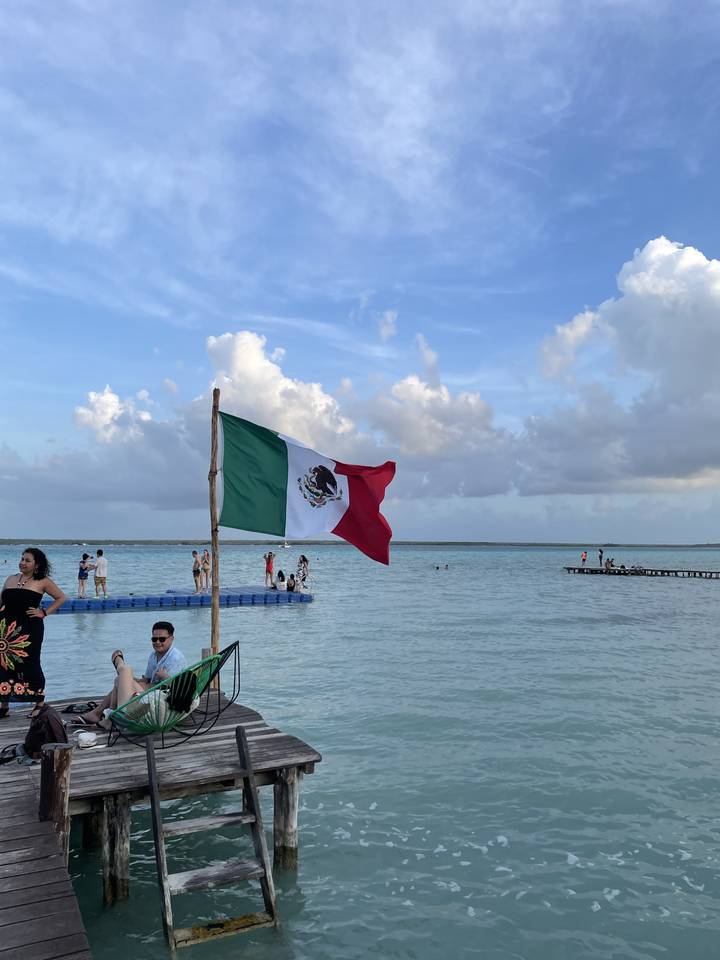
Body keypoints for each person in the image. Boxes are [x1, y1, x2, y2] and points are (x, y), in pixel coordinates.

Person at [0, 548, 67, 718]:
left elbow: (61, 598)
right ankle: (4, 704)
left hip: (30, 629)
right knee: (5, 665)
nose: (22, 562)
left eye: (27, 560)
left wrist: (43, 613)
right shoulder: (10, 579)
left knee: (31, 664)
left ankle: (39, 702)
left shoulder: (43, 581)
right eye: (22, 559)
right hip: (6, 631)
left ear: (36, 565)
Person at [79, 621, 187, 726]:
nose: (157, 642)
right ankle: (105, 716)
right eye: (154, 639)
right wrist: (139, 680)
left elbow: (178, 688)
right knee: (121, 678)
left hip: (160, 702)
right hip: (150, 694)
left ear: (171, 639)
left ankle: (101, 713)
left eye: (162, 639)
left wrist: (165, 677)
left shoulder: (175, 658)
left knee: (124, 672)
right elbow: (148, 680)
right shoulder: (154, 655)